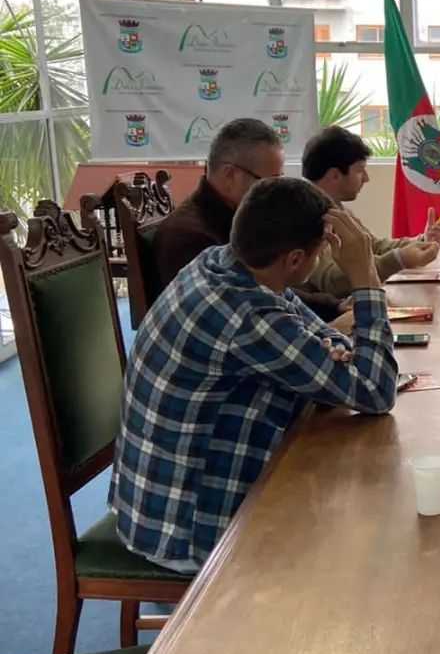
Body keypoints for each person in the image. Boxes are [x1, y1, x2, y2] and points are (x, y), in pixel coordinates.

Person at [109, 178, 398, 573]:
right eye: (319, 253)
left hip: (154, 499)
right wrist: (366, 278)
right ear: (295, 260)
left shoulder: (221, 263)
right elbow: (377, 392)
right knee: (358, 542)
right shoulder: (246, 314)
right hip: (185, 528)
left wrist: (329, 351)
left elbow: (313, 331)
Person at [299, 125, 440, 301]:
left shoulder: (335, 208)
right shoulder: (305, 216)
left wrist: (421, 241)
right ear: (335, 175)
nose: (366, 178)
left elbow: (373, 246)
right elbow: (331, 282)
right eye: (360, 170)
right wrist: (398, 260)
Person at [154, 117, 284, 287]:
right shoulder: (189, 237)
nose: (275, 192)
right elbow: (250, 296)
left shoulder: (238, 218)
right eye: (269, 182)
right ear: (229, 175)